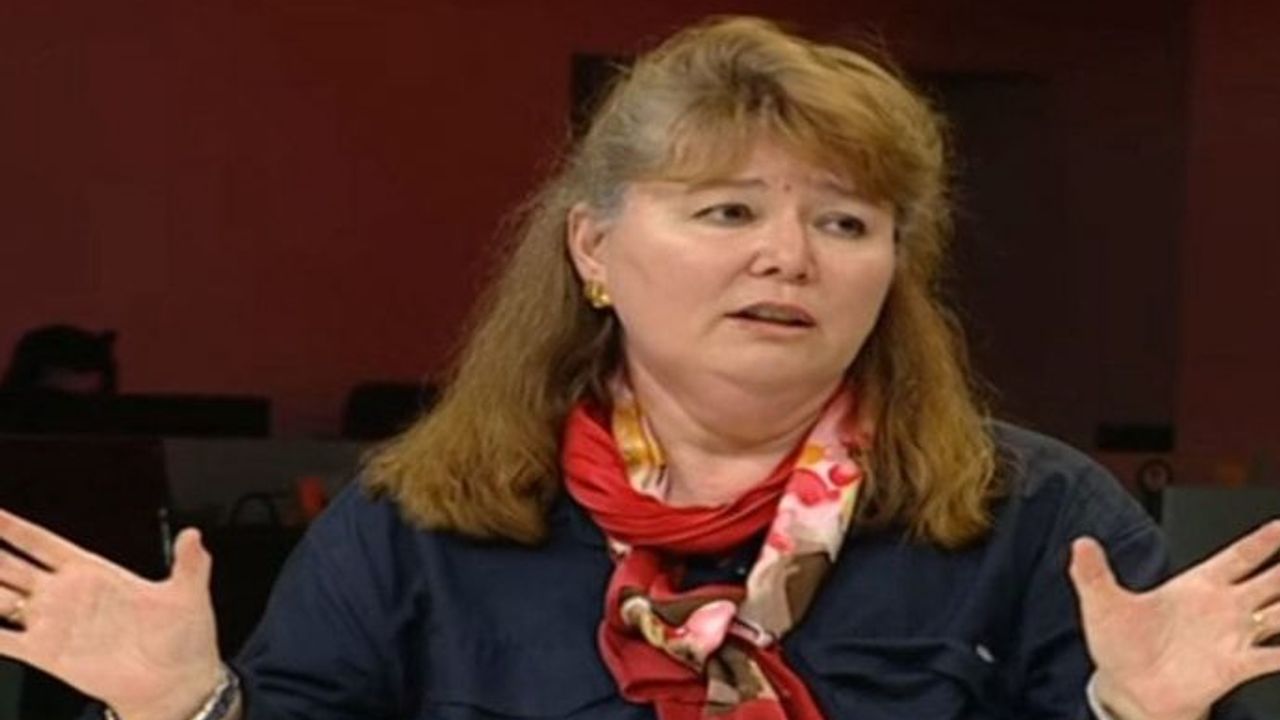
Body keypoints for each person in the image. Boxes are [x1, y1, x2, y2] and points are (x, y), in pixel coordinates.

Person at [1, 16, 1278, 720]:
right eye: (726, 212)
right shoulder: (417, 522)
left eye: (845, 223)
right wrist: (188, 711)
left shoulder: (1038, 521)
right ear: (594, 249)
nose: (789, 256)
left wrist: (1136, 717)